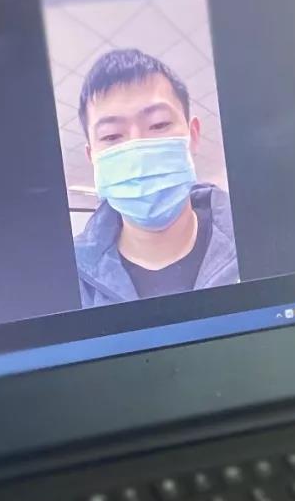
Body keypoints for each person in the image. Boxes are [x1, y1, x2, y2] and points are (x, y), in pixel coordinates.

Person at [73, 48, 239, 307]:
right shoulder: (71, 281)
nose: (138, 152)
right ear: (92, 157)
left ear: (193, 136)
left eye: (159, 124)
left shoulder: (257, 239)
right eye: (111, 136)